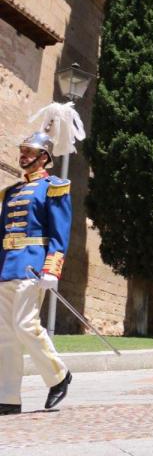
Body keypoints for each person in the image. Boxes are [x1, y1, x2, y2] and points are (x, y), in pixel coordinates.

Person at [0, 132, 73, 415]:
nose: (24, 155)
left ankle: (59, 375)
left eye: (30, 151)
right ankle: (8, 397)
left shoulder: (54, 187)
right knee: (5, 334)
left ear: (44, 157)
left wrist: (52, 267)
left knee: (24, 325)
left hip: (33, 265)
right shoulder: (11, 192)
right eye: (22, 150)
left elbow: (59, 231)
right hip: (7, 266)